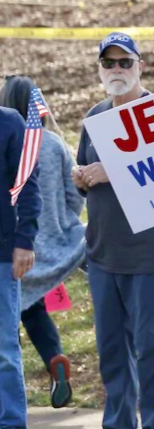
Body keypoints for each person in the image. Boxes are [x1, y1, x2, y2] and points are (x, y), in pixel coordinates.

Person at [70, 33, 154, 429]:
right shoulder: (94, 116)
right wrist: (83, 177)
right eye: (108, 63)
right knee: (112, 349)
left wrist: (110, 171)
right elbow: (87, 178)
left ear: (140, 65)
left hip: (150, 252)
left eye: (124, 62)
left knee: (153, 348)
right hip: (102, 252)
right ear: (99, 69)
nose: (116, 69)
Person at [0, 76, 80, 410]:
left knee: (13, 319)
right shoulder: (55, 144)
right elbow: (74, 195)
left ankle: (10, 409)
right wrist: (63, 221)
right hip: (51, 245)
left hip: (14, 243)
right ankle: (52, 357)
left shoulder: (8, 134)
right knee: (33, 309)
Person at [0, 80, 41, 429]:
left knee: (4, 348)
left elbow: (27, 186)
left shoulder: (10, 123)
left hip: (1, 255)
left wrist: (24, 240)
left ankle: (10, 428)